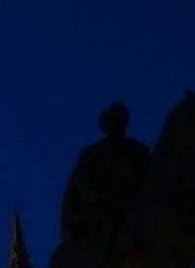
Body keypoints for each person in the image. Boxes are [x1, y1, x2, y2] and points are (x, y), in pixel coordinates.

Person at [60, 102, 151, 256]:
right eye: (112, 120)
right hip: (102, 210)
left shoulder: (138, 150)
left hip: (134, 206)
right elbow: (80, 179)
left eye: (119, 120)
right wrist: (100, 197)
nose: (116, 124)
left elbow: (151, 176)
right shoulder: (93, 152)